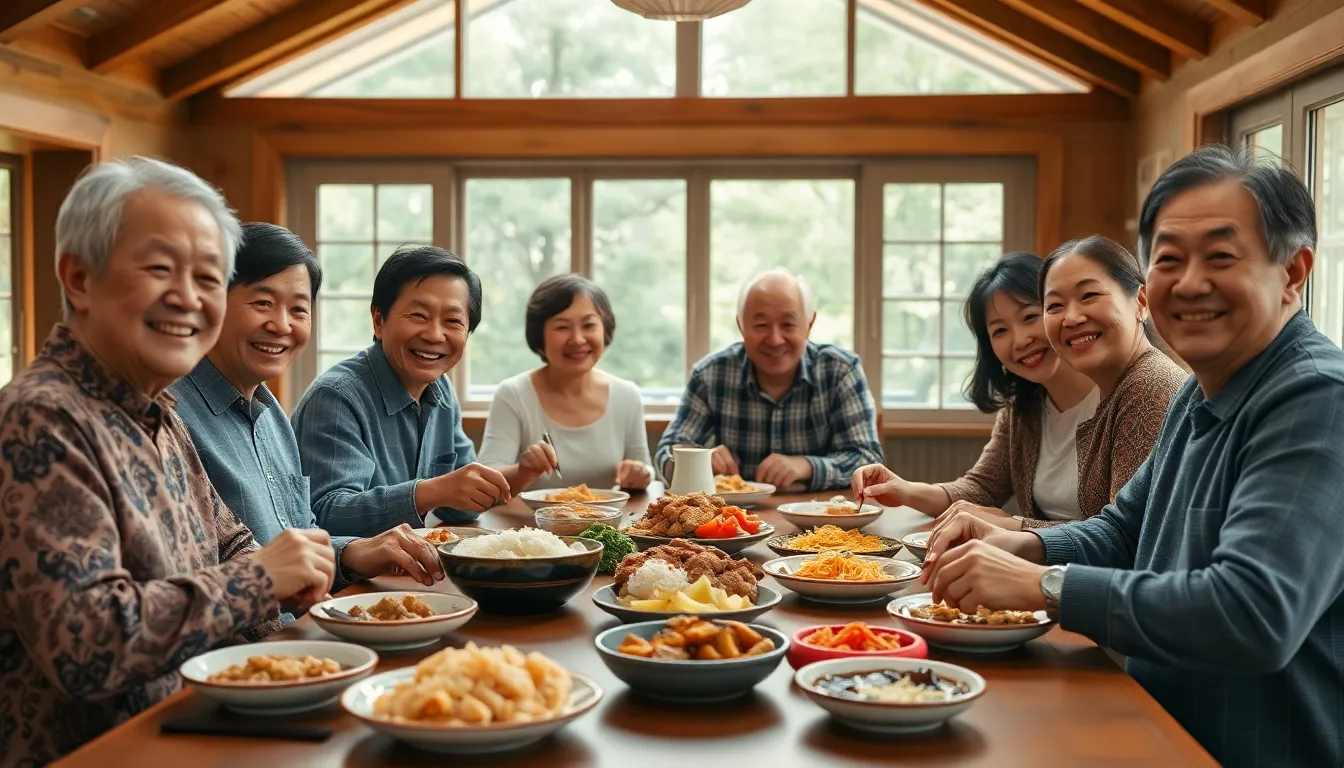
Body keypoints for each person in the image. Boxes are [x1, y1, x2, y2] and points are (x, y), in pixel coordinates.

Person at [921, 144, 1344, 768]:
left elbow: (1251, 612)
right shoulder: (1202, 389)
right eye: (1170, 259)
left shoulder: (1315, 399)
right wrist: (1026, 546)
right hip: (1151, 721)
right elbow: (1125, 528)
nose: (1191, 282)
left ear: (1293, 272)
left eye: (1221, 257)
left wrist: (1043, 584)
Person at [0, 157, 336, 765]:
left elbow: (230, 543)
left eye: (208, 277)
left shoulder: (161, 410)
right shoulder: (39, 418)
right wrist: (262, 581)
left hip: (194, 731)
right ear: (79, 278)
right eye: (160, 269)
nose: (188, 297)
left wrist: (308, 614)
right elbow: (88, 642)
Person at [172, 223, 445, 602]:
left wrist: (353, 553)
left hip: (304, 629)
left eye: (298, 309)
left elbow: (298, 533)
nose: (281, 325)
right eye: (262, 303)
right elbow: (184, 577)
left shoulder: (271, 417)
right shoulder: (170, 417)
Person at [854, 241, 1187, 529]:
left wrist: (1008, 525)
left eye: (1030, 317)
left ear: (1139, 302)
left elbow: (1123, 535)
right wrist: (904, 490)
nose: (1021, 340)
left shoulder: (1145, 387)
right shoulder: (1024, 403)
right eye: (999, 331)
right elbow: (983, 487)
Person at [292, 245, 517, 538]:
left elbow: (462, 508)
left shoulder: (441, 391)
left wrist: (470, 489)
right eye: (419, 315)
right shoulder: (336, 397)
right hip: (351, 582)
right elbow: (327, 516)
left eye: (452, 321)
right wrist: (431, 491)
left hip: (414, 571)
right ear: (378, 320)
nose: (435, 335)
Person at [656, 268, 882, 491]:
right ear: (741, 326)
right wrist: (697, 461)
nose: (775, 340)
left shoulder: (840, 371)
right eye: (761, 325)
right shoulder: (710, 374)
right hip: (731, 522)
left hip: (820, 519)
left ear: (809, 324)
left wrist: (808, 466)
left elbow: (868, 460)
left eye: (788, 324)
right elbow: (667, 451)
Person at [478, 274, 652, 493]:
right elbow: (486, 480)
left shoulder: (627, 395)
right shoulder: (513, 394)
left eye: (589, 325)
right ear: (539, 338)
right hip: (528, 526)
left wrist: (639, 473)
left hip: (605, 526)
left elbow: (645, 472)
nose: (578, 339)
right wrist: (522, 471)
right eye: (562, 327)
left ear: (605, 330)